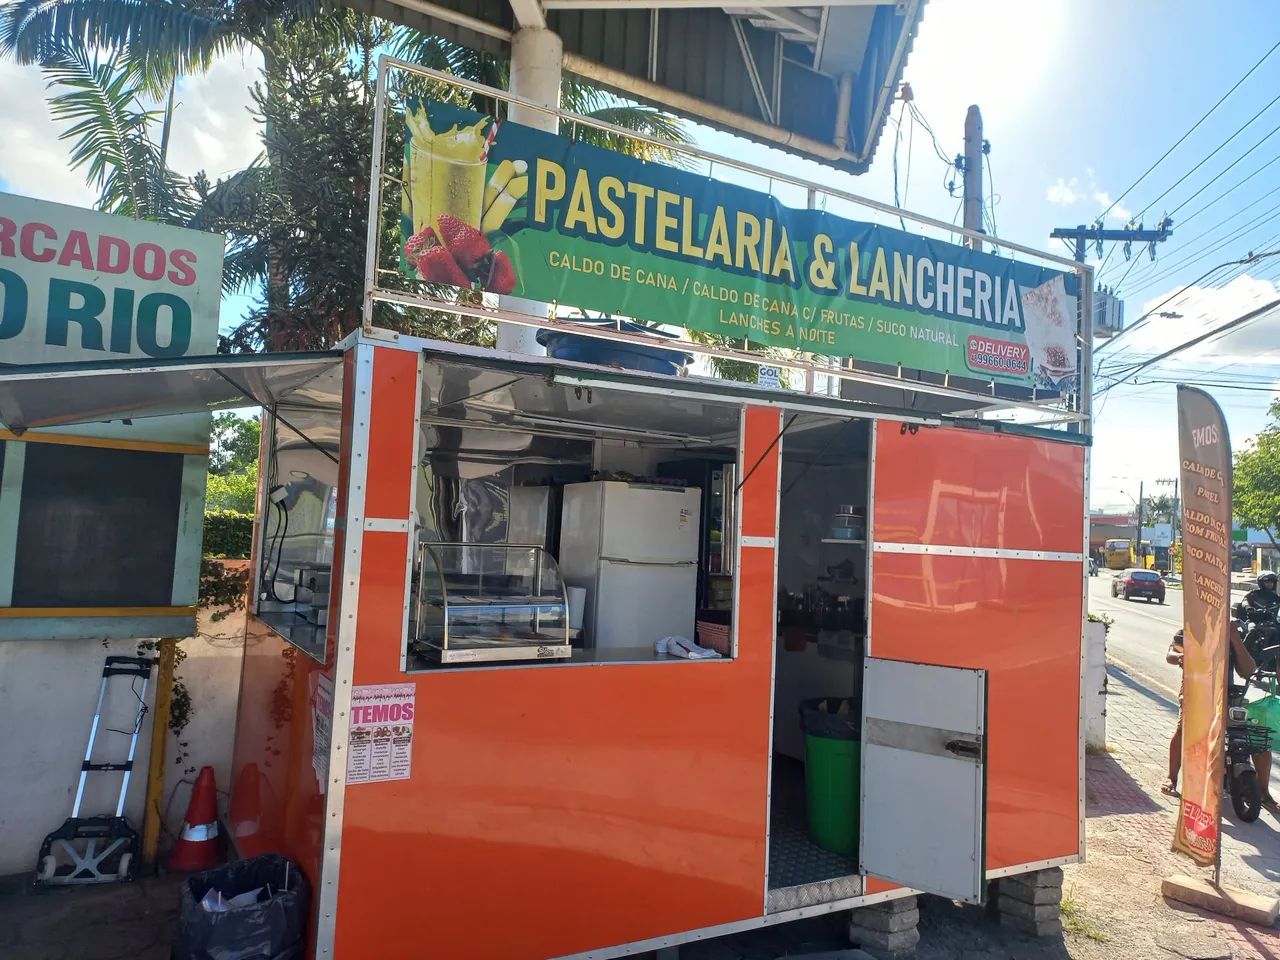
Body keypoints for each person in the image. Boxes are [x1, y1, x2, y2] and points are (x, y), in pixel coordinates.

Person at [1163, 627, 1274, 807]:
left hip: (1228, 696)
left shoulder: (1230, 634)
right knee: (1184, 730)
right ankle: (1171, 778)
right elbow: (1171, 653)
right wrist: (1180, 657)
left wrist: (1235, 639)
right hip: (1196, 691)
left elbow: (1248, 670)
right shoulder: (1193, 625)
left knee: (1256, 739)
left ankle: (1263, 793)